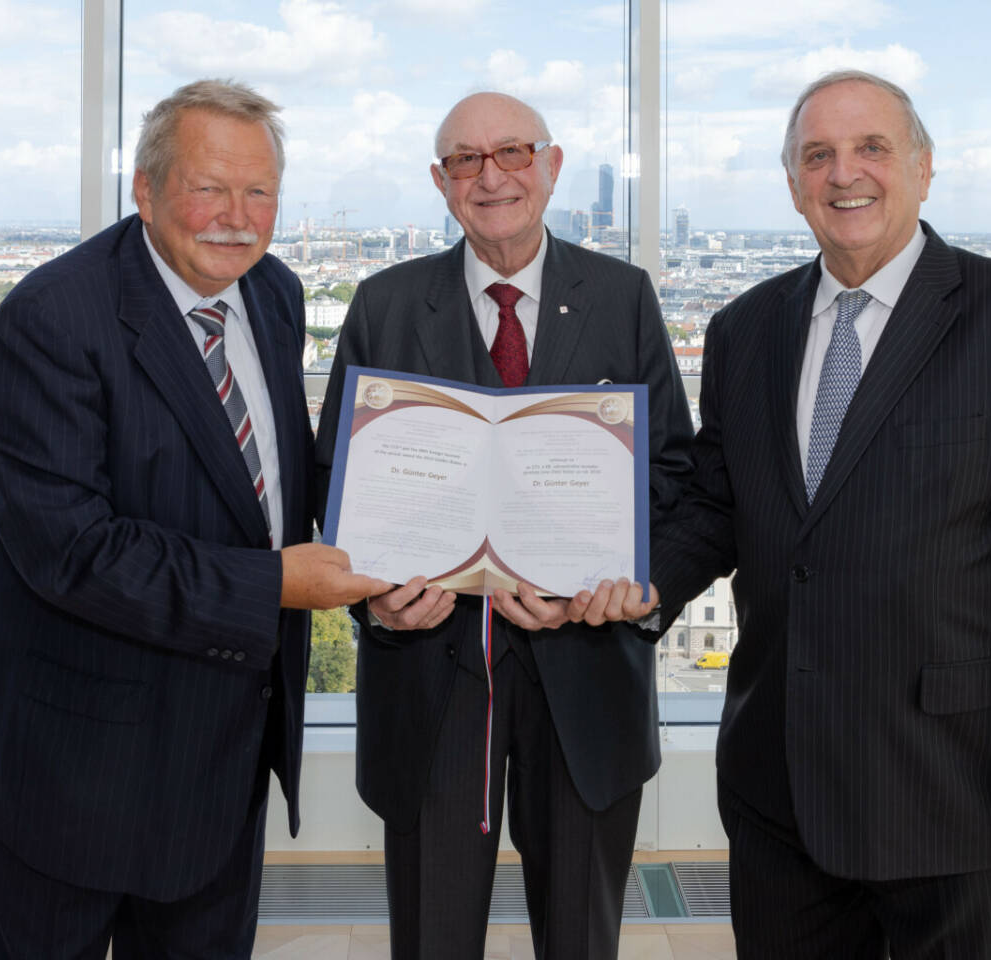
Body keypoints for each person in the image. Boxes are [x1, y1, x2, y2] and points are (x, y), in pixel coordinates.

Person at [576, 70, 991, 957]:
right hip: (780, 788)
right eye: (819, 155)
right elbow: (718, 505)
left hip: (958, 793)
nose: (847, 173)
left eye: (872, 147)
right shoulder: (745, 329)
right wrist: (638, 582)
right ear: (795, 184)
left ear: (922, 167)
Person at [0, 79, 389, 959]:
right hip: (74, 772)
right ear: (147, 190)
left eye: (260, 191)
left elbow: (268, 481)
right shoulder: (51, 319)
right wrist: (279, 583)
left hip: (222, 758)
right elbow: (72, 552)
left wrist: (393, 557)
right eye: (210, 187)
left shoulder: (273, 292)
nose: (236, 215)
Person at [313, 91, 694, 959]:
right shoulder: (384, 303)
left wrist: (629, 588)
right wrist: (374, 605)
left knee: (582, 940)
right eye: (465, 160)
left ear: (552, 165)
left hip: (588, 679)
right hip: (432, 681)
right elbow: (337, 483)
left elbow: (672, 472)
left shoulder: (624, 297)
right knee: (433, 937)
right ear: (441, 183)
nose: (492, 177)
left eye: (513, 153)